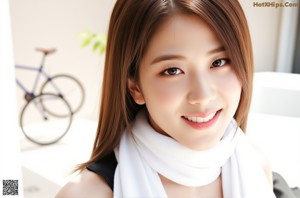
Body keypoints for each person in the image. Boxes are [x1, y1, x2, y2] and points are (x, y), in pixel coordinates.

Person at [56, 0, 276, 197]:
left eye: (218, 62)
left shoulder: (255, 164)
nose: (203, 95)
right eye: (172, 70)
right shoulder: (86, 194)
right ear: (135, 87)